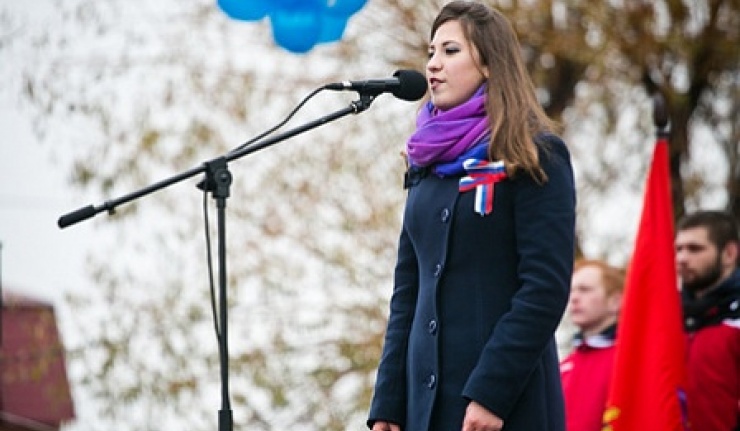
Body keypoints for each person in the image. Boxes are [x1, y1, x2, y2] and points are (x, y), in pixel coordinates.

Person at [366, 2, 576, 430]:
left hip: (503, 408)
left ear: (490, 64)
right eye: (431, 53)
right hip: (423, 412)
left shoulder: (536, 154)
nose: (433, 65)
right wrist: (388, 403)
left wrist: (491, 394)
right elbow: (408, 293)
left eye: (450, 51)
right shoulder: (425, 165)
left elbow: (544, 288)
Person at [675, 210, 740, 431]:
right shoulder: (668, 317)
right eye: (678, 249)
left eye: (695, 249)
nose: (682, 258)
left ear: (729, 254)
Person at [559, 259, 624, 431]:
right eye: (572, 290)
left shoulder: (628, 360)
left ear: (615, 301)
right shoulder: (564, 365)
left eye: (585, 290)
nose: (574, 298)